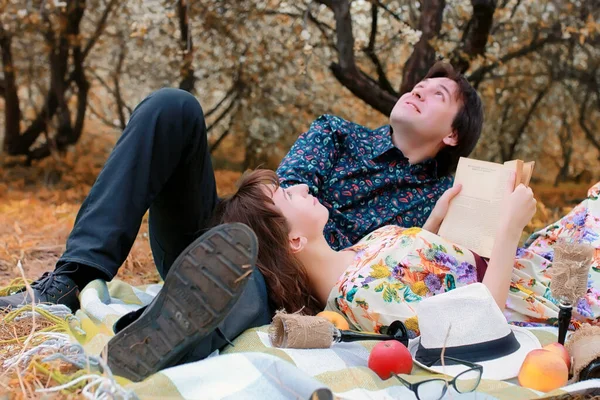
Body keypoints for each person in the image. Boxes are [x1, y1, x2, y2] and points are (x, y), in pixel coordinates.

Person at [0, 62, 483, 377]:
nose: (419, 89)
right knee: (175, 106)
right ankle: (74, 278)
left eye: (437, 93)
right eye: (418, 84)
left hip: (278, 289)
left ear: (455, 135)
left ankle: (150, 334)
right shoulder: (337, 133)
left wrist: (438, 227)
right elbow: (283, 198)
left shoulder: (443, 200)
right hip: (227, 235)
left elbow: (418, 273)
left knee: (252, 279)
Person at [218, 169, 600, 337]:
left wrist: (434, 221)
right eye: (287, 195)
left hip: (533, 267)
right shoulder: (359, 298)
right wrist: (510, 227)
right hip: (548, 297)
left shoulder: (355, 254)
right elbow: (478, 321)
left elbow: (415, 276)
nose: (301, 186)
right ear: (294, 241)